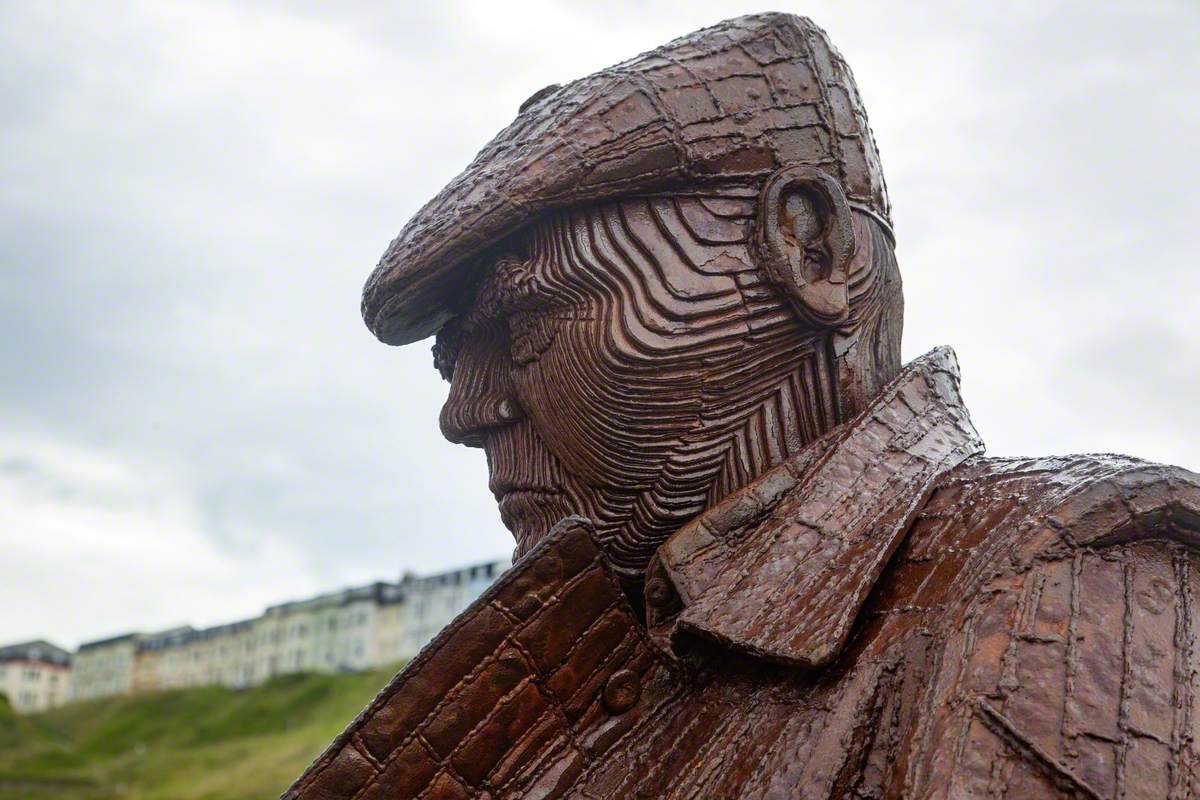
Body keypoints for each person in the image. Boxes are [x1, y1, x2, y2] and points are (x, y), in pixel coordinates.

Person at [286, 13, 1200, 799]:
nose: (464, 412)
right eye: (452, 362)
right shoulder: (607, 677)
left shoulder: (1072, 577)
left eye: (525, 326)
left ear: (808, 251)